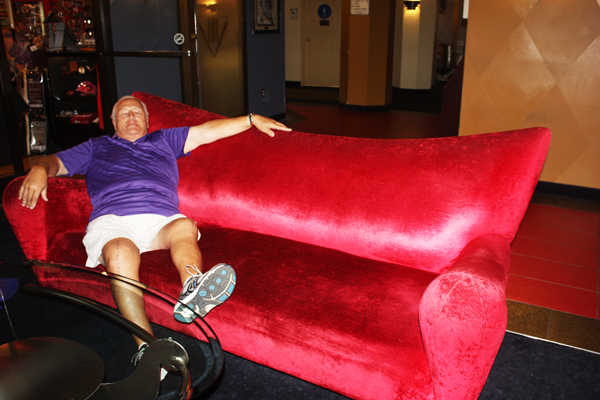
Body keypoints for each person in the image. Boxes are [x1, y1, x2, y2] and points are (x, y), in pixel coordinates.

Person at [18, 95, 291, 364]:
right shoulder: (96, 146)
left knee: (184, 225)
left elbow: (207, 131)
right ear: (113, 123)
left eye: (137, 112)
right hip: (113, 220)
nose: (131, 117)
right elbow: (54, 162)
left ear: (148, 120)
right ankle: (147, 347)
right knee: (119, 252)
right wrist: (40, 168)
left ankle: (192, 290)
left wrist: (250, 119)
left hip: (161, 219)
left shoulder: (163, 140)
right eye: (124, 114)